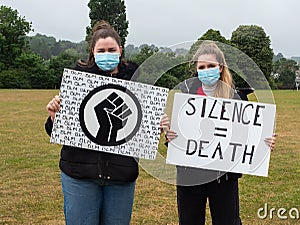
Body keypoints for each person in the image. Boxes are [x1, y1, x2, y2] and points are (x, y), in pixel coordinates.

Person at [45, 20, 167, 224]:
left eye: (111, 49)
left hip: (121, 174)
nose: (107, 54)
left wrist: (156, 126)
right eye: (101, 50)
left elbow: (141, 130)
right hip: (79, 173)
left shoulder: (136, 81)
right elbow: (58, 130)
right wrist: (54, 117)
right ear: (93, 51)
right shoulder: (79, 80)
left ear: (120, 50)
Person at [165, 42, 276, 225]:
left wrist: (263, 143)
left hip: (223, 176)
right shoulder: (185, 97)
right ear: (196, 69)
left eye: (211, 66)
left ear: (221, 67)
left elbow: (247, 135)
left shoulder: (236, 98)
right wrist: (170, 137)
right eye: (202, 67)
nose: (206, 70)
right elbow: (178, 139)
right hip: (189, 175)